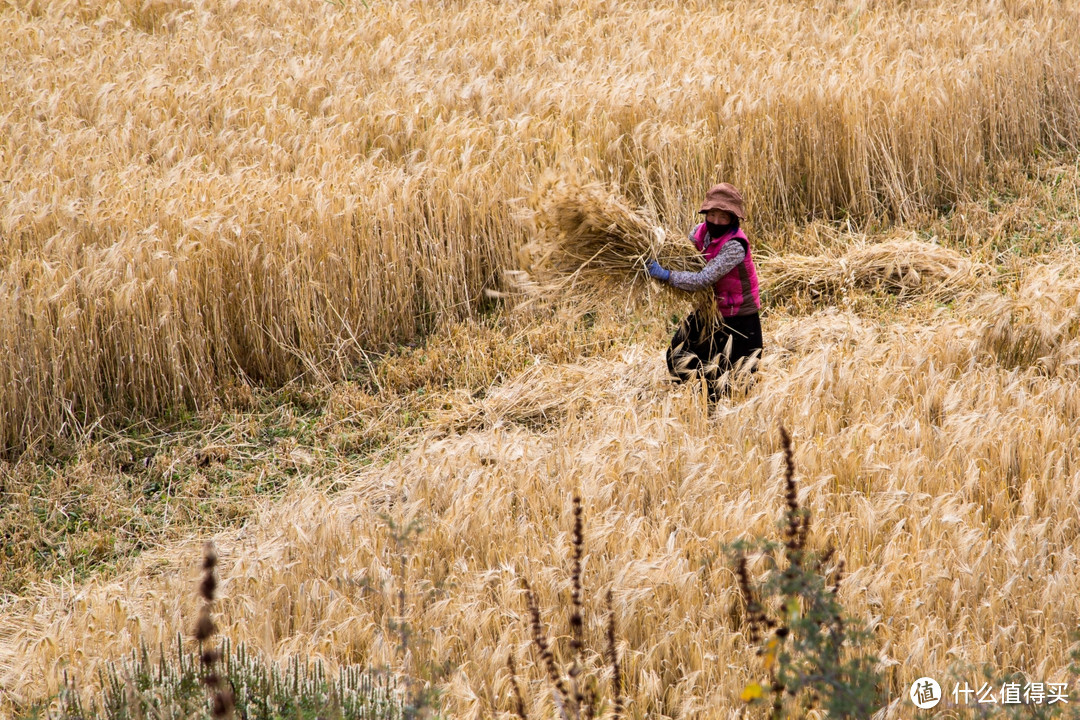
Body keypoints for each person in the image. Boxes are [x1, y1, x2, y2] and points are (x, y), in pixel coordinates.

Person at [646, 182, 763, 399]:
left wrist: (666, 275)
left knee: (739, 377)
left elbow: (703, 279)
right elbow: (683, 258)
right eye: (712, 214)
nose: (716, 221)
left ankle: (722, 416)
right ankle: (697, 401)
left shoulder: (735, 245)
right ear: (706, 212)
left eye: (724, 217)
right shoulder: (698, 232)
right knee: (678, 355)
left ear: (733, 219)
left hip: (739, 318)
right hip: (710, 310)